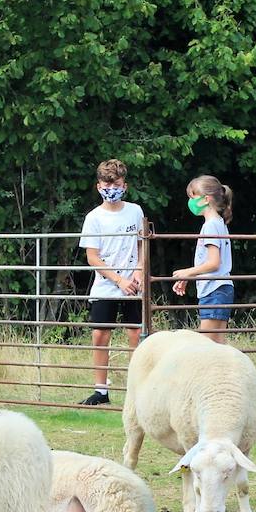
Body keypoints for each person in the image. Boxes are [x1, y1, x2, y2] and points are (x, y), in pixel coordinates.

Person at [78, 159, 145, 406]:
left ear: (124, 185)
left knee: (136, 334)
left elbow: (141, 245)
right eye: (107, 184)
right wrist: (119, 280)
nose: (111, 188)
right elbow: (92, 256)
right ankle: (101, 391)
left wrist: (138, 272)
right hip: (107, 284)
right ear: (98, 186)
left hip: (133, 285)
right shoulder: (93, 218)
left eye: (115, 183)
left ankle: (138, 389)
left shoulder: (135, 211)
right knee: (100, 335)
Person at [171, 175, 235, 343]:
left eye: (192, 197)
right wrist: (191, 276)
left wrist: (187, 272)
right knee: (217, 344)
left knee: (206, 345)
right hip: (220, 288)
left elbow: (214, 263)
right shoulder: (219, 222)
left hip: (214, 290)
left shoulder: (210, 225)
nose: (190, 202)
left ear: (205, 199)